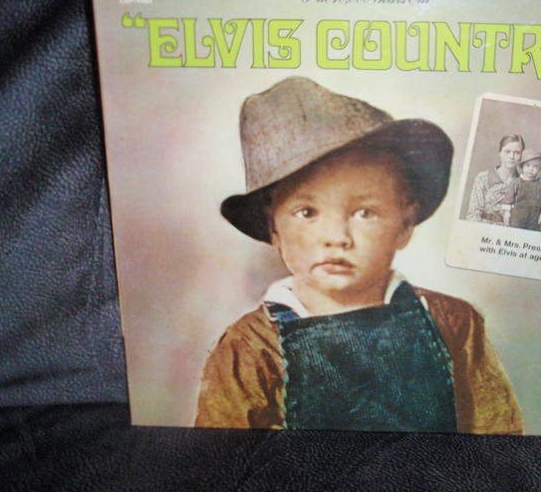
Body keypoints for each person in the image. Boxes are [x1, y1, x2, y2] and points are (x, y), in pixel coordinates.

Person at [196, 77, 523, 435]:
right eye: (307, 212)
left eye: (364, 213)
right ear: (273, 229)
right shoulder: (251, 348)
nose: (336, 238)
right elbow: (227, 457)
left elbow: (498, 441)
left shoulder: (453, 323)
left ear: (405, 225)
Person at [465, 134, 525, 224]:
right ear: (500, 153)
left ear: (522, 156)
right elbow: (473, 215)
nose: (512, 157)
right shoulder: (483, 178)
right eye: (507, 152)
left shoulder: (523, 184)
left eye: (517, 152)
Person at [504, 148, 541, 231]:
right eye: (528, 165)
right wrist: (507, 213)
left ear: (540, 168)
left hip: (534, 217)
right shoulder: (516, 182)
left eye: (535, 166)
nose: (531, 169)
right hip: (517, 217)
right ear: (522, 166)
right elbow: (508, 199)